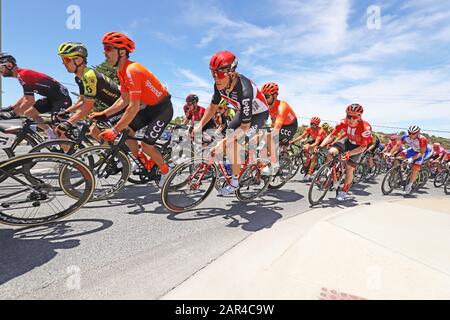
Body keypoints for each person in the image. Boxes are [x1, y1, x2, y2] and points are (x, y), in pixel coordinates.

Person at [89, 32, 173, 187]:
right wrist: (104, 113)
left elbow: (133, 107)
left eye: (108, 48)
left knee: (147, 145)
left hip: (162, 109)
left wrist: (114, 130)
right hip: (148, 107)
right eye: (104, 48)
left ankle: (166, 171)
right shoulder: (121, 71)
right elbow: (124, 99)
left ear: (122, 52)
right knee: (127, 131)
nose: (104, 52)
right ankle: (141, 161)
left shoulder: (132, 70)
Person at [193, 50, 269, 195]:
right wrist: (200, 125)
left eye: (220, 73)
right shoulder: (219, 84)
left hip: (258, 115)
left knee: (233, 144)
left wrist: (226, 142)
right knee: (227, 138)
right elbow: (213, 106)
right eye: (213, 73)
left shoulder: (245, 90)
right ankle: (236, 162)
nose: (216, 78)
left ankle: (235, 182)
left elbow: (245, 126)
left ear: (232, 73)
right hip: (243, 112)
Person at [55, 42, 122, 140]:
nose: (63, 63)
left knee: (96, 130)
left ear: (78, 60)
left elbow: (88, 106)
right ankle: (112, 153)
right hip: (115, 106)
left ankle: (118, 154)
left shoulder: (89, 76)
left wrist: (68, 122)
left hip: (124, 105)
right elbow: (82, 100)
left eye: (66, 59)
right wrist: (66, 111)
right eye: (63, 60)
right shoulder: (79, 78)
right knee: (94, 131)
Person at [0, 53, 72, 139]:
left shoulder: (23, 74)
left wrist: (13, 113)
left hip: (61, 99)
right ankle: (51, 135)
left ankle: (66, 150)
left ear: (9, 65)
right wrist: (10, 108)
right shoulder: (21, 75)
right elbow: (25, 97)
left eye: (0, 67)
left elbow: (30, 101)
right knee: (29, 113)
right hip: (51, 98)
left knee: (58, 130)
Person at [319, 104, 373, 201]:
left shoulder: (365, 128)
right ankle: (333, 174)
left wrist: (348, 154)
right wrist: (320, 146)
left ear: (359, 117)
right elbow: (332, 136)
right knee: (330, 152)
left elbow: (363, 147)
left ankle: (344, 191)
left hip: (358, 147)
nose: (350, 119)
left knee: (349, 168)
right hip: (347, 141)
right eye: (349, 116)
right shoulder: (342, 122)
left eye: (354, 117)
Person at [260, 82, 298, 174]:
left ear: (275, 96)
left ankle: (274, 164)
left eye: (267, 96)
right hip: (279, 124)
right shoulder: (267, 106)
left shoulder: (282, 107)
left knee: (268, 138)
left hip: (290, 126)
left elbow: (276, 129)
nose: (264, 99)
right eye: (262, 96)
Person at [388, 125, 433, 195]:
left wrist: (411, 159)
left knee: (415, 168)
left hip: (421, 153)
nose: (411, 135)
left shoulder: (422, 139)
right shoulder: (405, 137)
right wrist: (390, 153)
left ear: (418, 133)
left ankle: (409, 185)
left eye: (413, 133)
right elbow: (397, 145)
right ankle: (396, 174)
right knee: (397, 158)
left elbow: (421, 153)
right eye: (409, 133)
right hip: (412, 150)